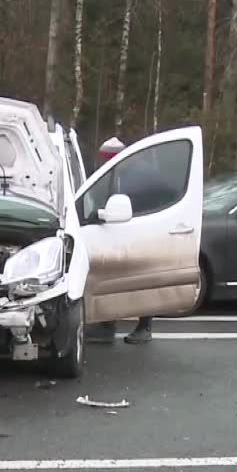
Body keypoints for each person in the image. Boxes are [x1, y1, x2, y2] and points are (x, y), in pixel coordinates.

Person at [84, 136, 154, 345]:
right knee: (111, 277)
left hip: (135, 232)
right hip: (116, 232)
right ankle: (107, 325)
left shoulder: (135, 177)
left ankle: (143, 326)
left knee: (140, 279)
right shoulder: (113, 175)